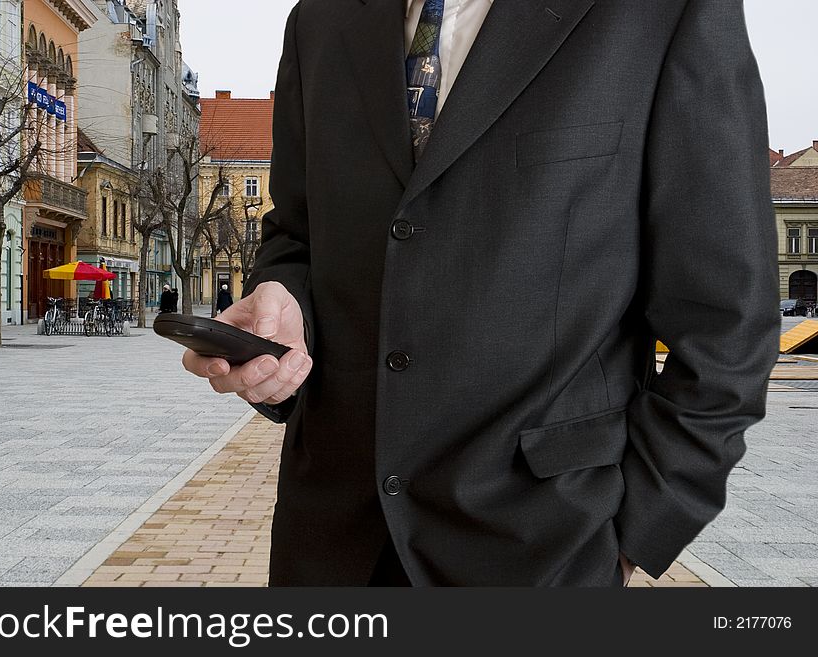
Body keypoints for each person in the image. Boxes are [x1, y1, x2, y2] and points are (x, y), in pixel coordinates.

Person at [183, 0, 780, 586]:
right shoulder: (319, 18)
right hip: (331, 544)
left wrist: (638, 533)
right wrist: (279, 301)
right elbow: (296, 233)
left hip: (546, 543)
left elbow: (726, 316)